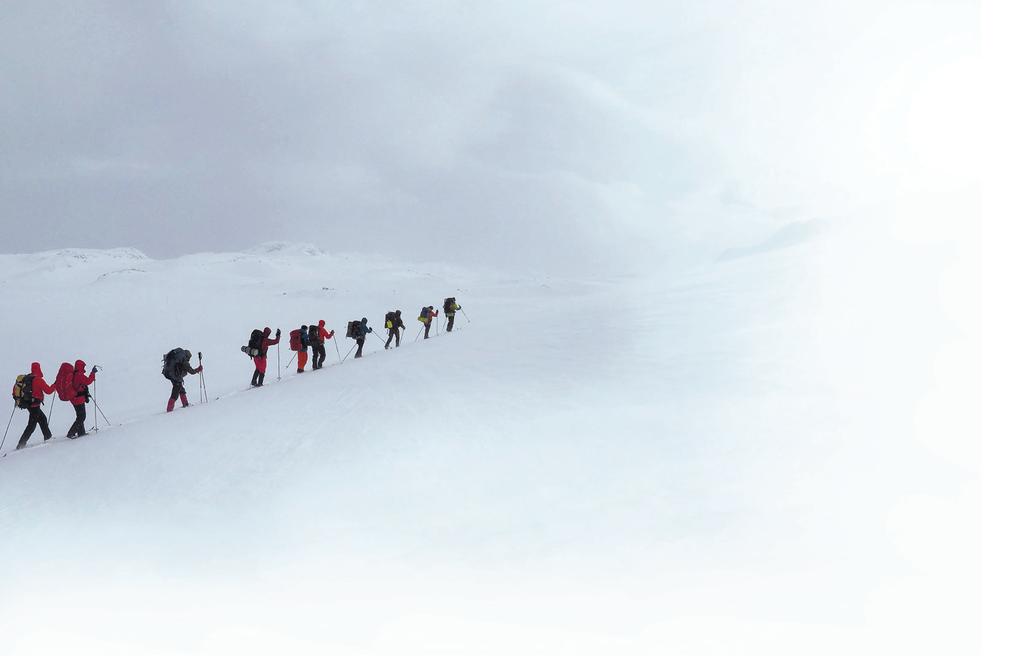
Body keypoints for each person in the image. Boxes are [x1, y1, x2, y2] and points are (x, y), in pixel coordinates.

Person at [16, 362, 55, 449]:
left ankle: (48, 437)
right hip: (35, 405)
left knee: (42, 419)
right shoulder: (38, 379)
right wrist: (54, 385)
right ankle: (21, 444)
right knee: (32, 425)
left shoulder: (27, 378)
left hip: (29, 404)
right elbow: (48, 391)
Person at [67, 360, 97, 438]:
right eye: (83, 366)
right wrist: (93, 373)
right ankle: (71, 432)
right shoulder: (79, 375)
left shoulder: (74, 374)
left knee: (79, 416)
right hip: (78, 399)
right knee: (82, 417)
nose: (84, 367)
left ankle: (81, 432)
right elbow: (88, 381)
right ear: (81, 366)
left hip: (74, 398)